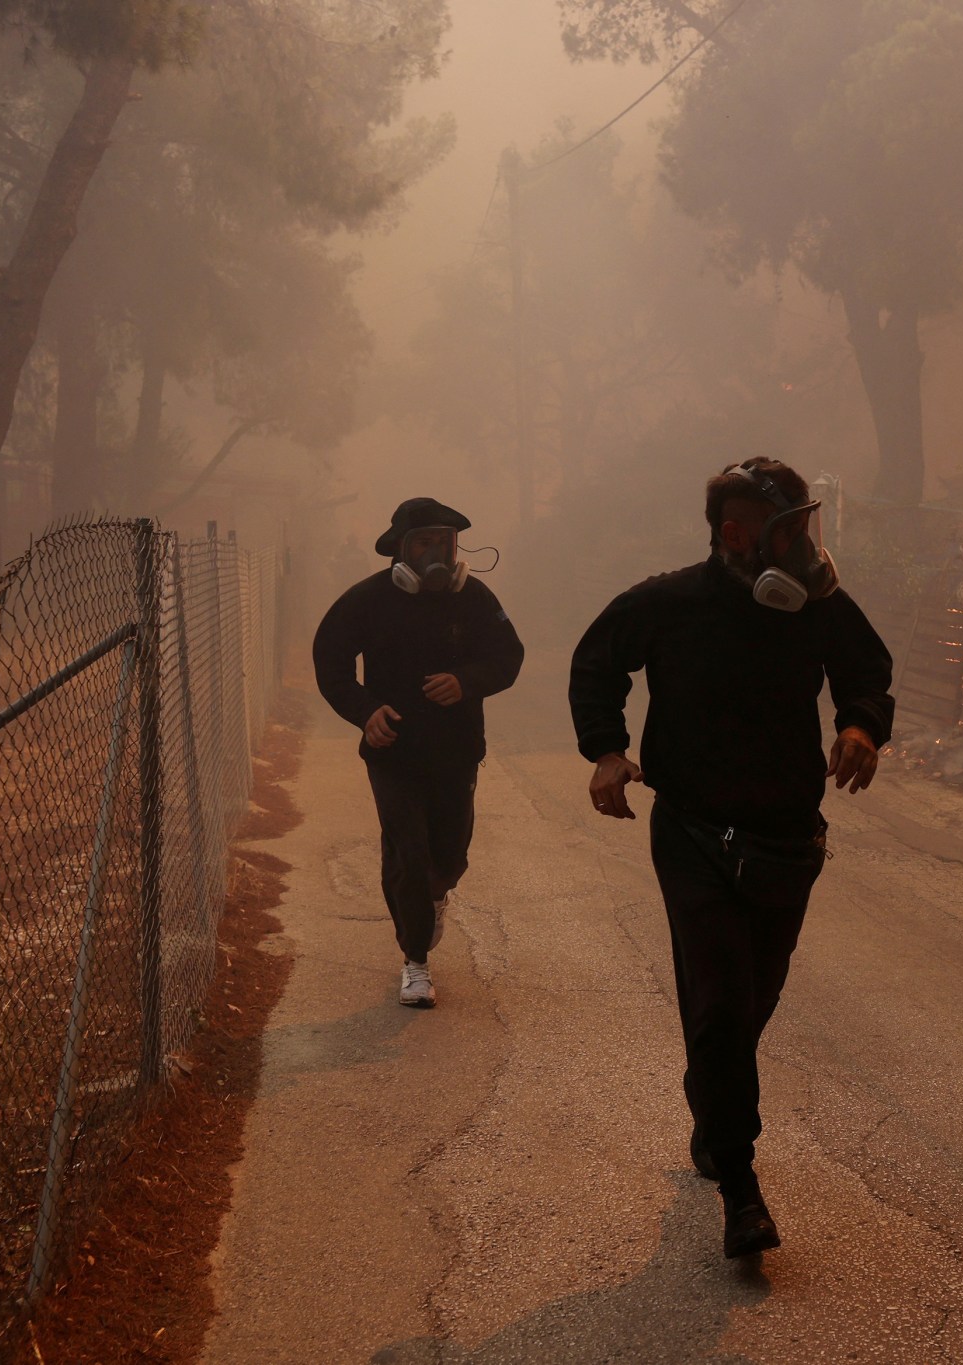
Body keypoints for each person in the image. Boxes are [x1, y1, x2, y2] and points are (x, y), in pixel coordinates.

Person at [568, 458, 895, 1258]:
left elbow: (868, 672)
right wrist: (606, 750)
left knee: (747, 1007)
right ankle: (740, 1186)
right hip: (692, 836)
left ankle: (712, 1108)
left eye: (805, 525)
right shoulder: (669, 602)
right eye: (789, 528)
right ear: (738, 532)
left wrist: (860, 725)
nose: (805, 545)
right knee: (718, 1003)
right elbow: (597, 662)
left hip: (786, 841)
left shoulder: (818, 607)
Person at [314, 497, 524, 1008]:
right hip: (393, 753)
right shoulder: (366, 600)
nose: (436, 553)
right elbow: (331, 663)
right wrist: (365, 712)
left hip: (456, 752)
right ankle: (416, 964)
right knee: (408, 851)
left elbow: (508, 656)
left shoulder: (474, 598)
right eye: (424, 542)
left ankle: (434, 896)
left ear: (457, 548)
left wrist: (467, 681)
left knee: (448, 857)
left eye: (444, 543)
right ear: (401, 550)